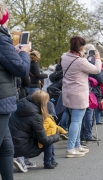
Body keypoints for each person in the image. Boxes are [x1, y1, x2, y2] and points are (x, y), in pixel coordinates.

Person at [0, 2, 31, 179]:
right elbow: (20, 69)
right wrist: (24, 52)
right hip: (2, 98)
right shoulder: (1, 37)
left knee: (7, 148)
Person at [61, 36, 102, 157]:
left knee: (76, 121)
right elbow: (97, 70)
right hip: (78, 93)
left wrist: (82, 56)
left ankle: (77, 145)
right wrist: (97, 58)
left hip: (68, 92)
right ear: (81, 47)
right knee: (76, 121)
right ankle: (70, 148)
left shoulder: (64, 57)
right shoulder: (81, 61)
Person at [9, 90, 60, 172]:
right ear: (43, 102)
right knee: (48, 139)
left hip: (10, 144)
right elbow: (44, 140)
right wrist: (57, 136)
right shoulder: (35, 116)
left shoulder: (22, 104)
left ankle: (24, 160)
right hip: (20, 147)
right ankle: (48, 163)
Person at [36, 91, 68, 169]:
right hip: (47, 137)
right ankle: (47, 163)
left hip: (50, 137)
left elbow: (54, 126)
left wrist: (62, 131)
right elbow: (44, 128)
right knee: (48, 151)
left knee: (51, 149)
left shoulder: (47, 117)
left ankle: (52, 160)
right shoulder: (46, 118)